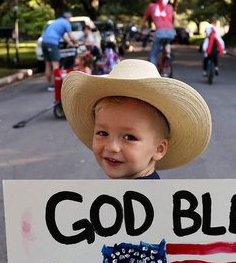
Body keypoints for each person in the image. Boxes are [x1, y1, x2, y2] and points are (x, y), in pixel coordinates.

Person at [60, 59, 211, 180]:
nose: (112, 147)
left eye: (129, 137)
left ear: (159, 149)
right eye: (102, 133)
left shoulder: (151, 203)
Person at [41, 12, 79, 90]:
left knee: (47, 64)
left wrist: (69, 43)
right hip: (52, 43)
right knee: (55, 64)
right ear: (68, 18)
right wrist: (77, 43)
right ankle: (56, 85)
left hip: (44, 42)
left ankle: (50, 85)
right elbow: (71, 36)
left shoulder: (58, 21)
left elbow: (63, 36)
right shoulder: (66, 23)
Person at [142, 0, 176, 68]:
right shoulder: (170, 7)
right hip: (171, 32)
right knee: (167, 41)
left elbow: (144, 19)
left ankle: (154, 72)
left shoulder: (151, 6)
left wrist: (141, 28)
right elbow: (172, 19)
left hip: (160, 32)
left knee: (153, 54)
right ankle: (167, 54)